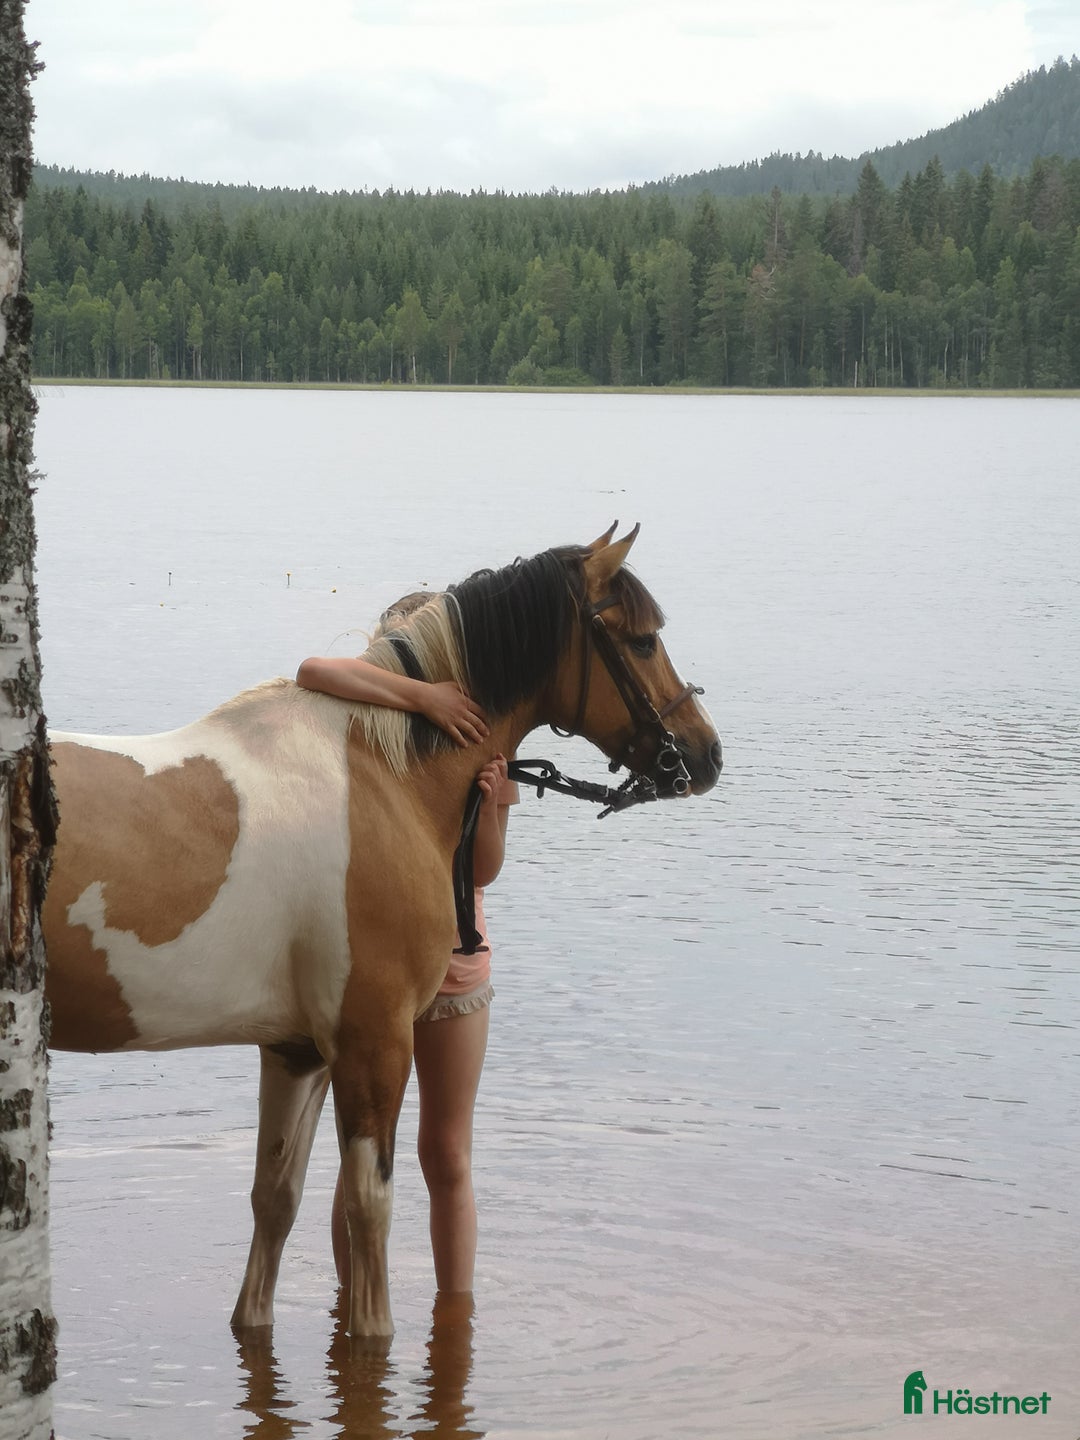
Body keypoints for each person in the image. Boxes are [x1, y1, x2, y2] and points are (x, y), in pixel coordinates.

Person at [296, 593, 518, 1296]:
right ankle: (350, 1305)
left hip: (454, 963)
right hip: (369, 969)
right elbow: (313, 669)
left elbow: (481, 872)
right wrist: (420, 695)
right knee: (365, 1152)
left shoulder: (473, 733)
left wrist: (495, 808)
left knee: (446, 1155)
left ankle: (456, 1320)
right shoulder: (373, 723)